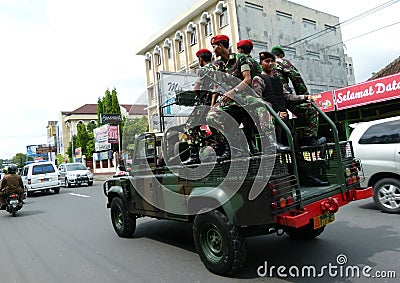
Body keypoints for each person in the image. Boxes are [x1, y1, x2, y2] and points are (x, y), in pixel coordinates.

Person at [254, 51, 328, 186]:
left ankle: (307, 179)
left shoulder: (277, 79)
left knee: (296, 151)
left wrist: (305, 97)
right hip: (271, 122)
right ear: (261, 64)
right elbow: (258, 101)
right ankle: (278, 185)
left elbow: (288, 97)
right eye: (266, 61)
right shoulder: (258, 79)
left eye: (272, 61)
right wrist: (274, 114)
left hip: (285, 119)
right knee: (274, 154)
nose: (270, 64)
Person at [207, 35, 261, 161]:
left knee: (247, 116)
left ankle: (252, 146)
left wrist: (234, 91)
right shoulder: (219, 64)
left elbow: (247, 78)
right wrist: (212, 105)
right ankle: (227, 148)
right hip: (228, 100)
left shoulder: (240, 58)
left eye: (214, 46)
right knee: (211, 117)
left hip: (244, 96)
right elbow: (216, 86)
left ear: (220, 46)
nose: (213, 50)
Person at [271, 45, 326, 146]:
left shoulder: (265, 64)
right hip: (285, 97)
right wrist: (304, 96)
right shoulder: (281, 62)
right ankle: (310, 139)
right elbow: (296, 77)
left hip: (271, 100)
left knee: (281, 122)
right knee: (311, 111)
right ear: (281, 55)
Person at [182, 48, 217, 165]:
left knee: (190, 126)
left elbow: (196, 89)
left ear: (201, 59)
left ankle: (194, 155)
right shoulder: (217, 67)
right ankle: (218, 147)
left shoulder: (203, 70)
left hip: (205, 103)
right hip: (218, 102)